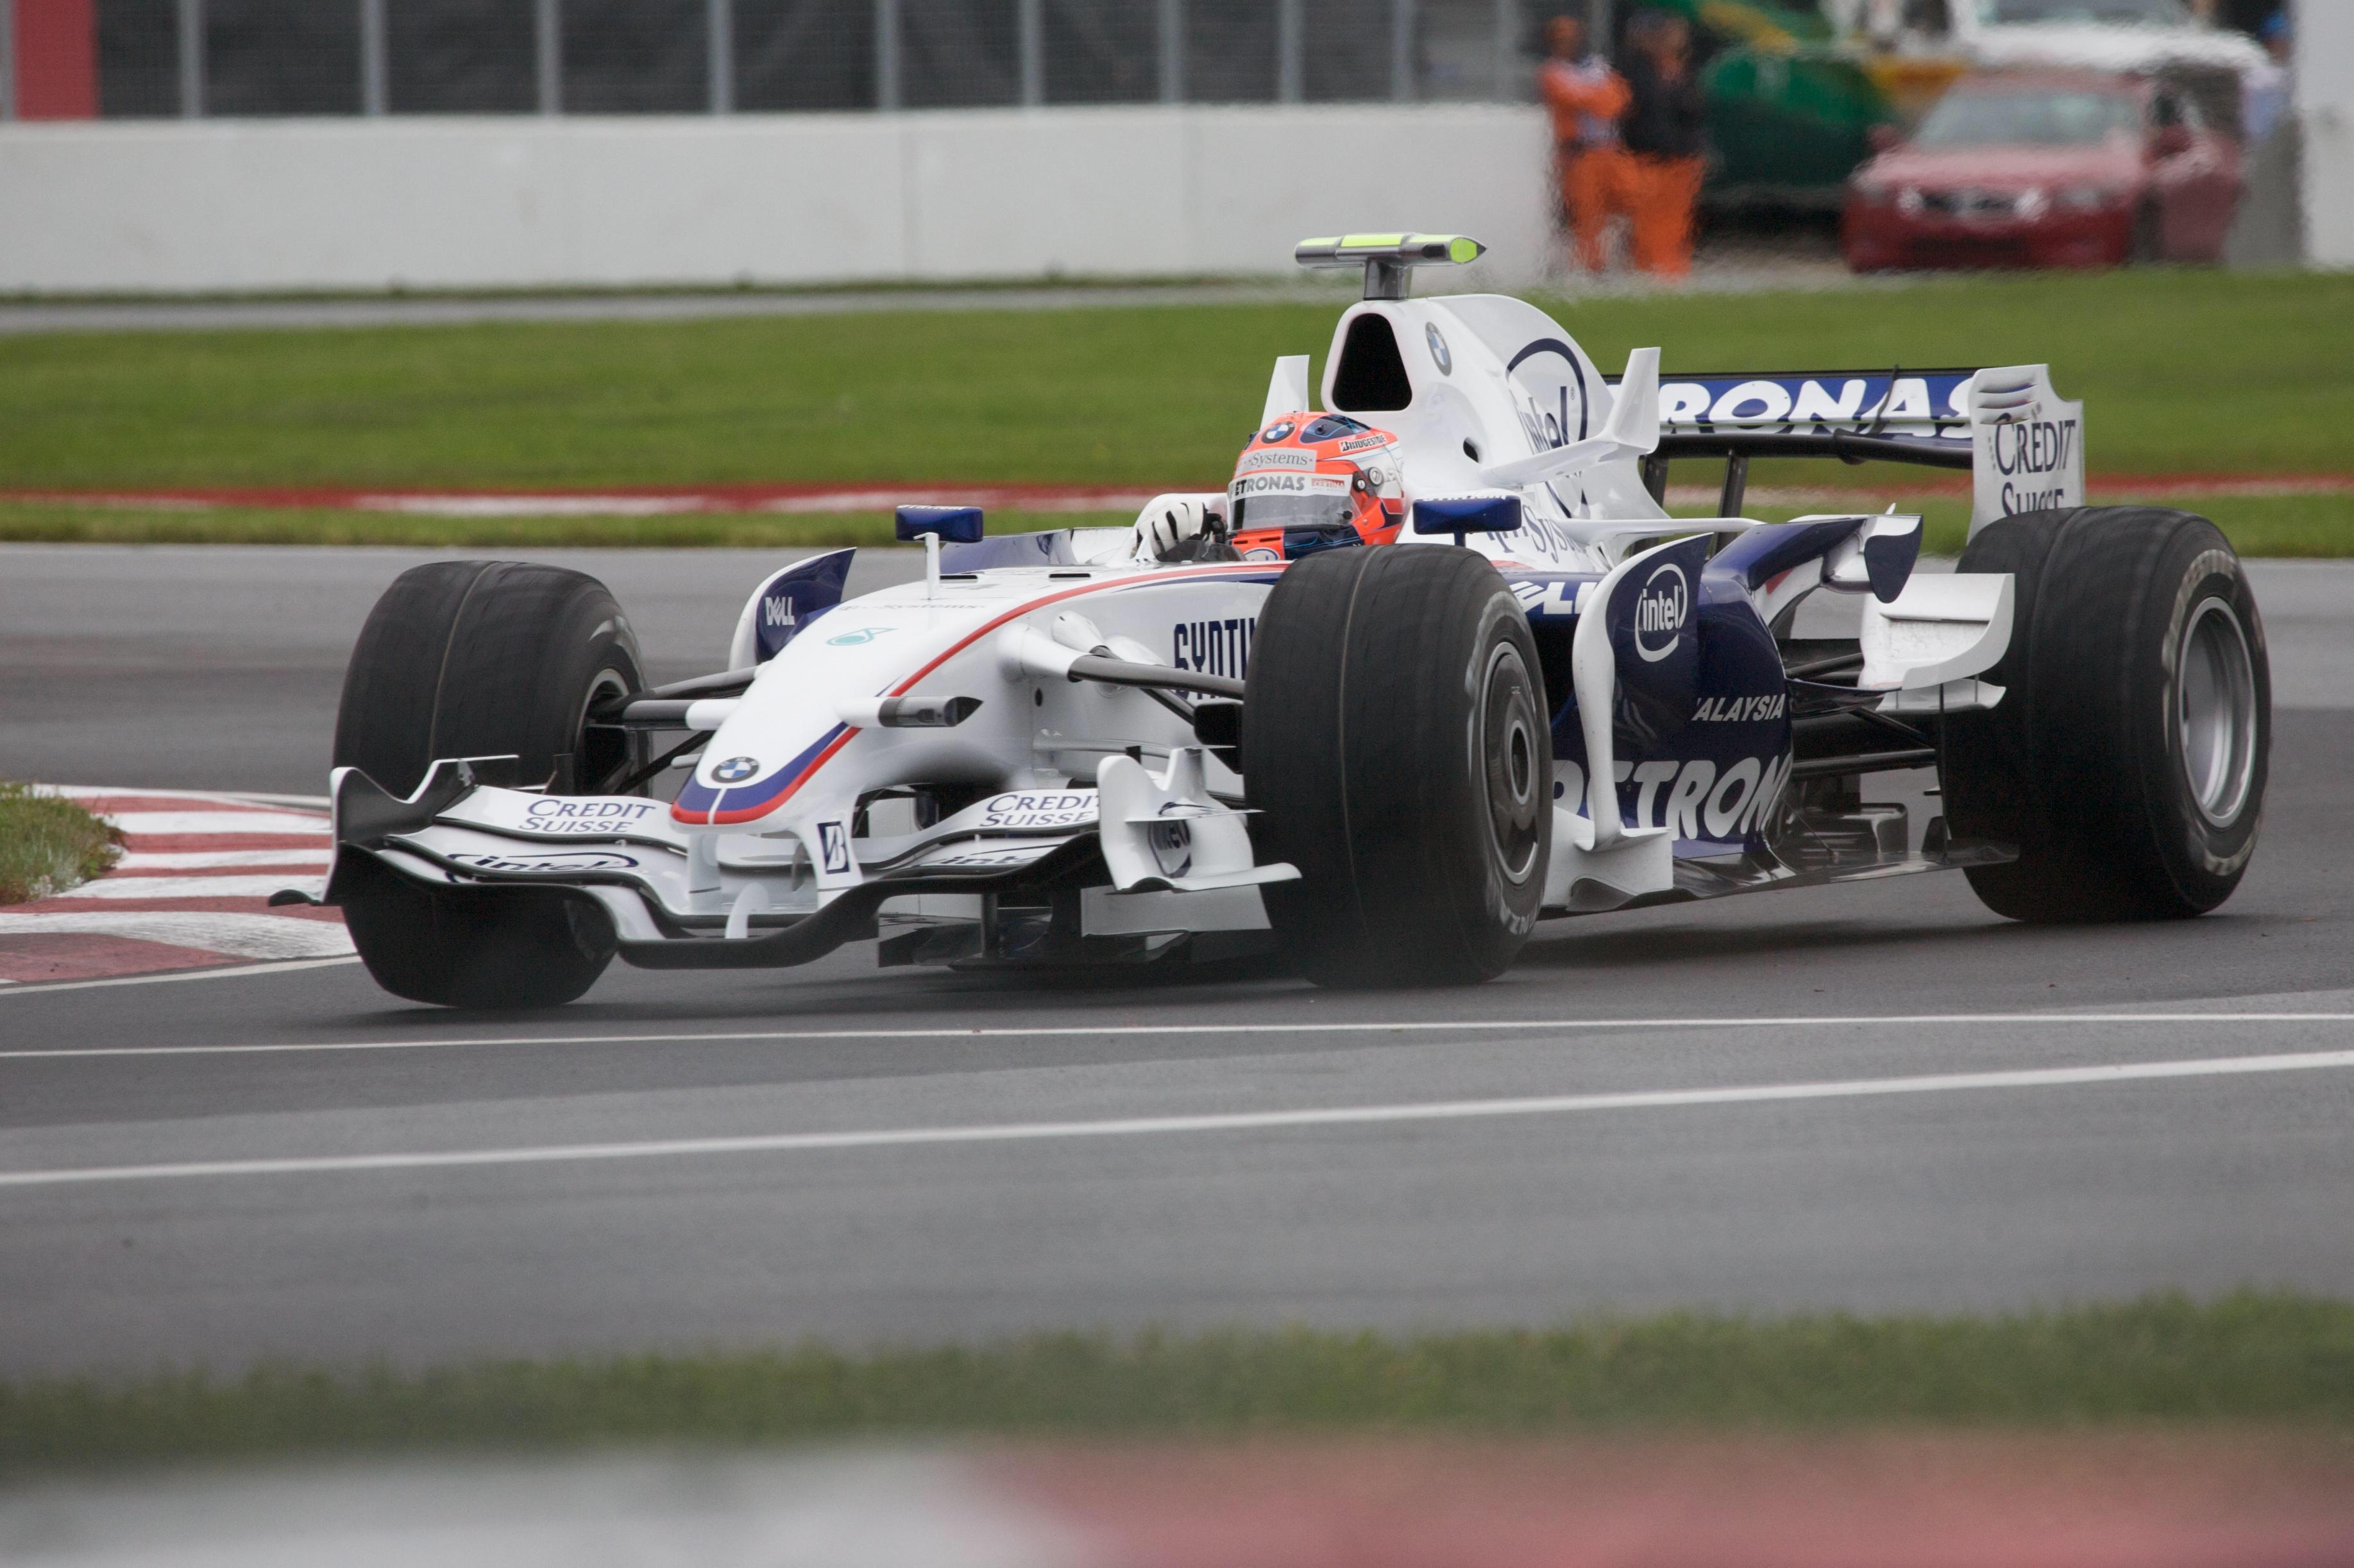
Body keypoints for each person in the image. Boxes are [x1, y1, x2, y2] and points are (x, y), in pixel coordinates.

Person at [1538, 13, 1634, 273]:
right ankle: (1592, 269)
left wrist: (1596, 97)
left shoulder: (1597, 66)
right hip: (1579, 155)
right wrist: (1599, 96)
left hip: (1610, 150)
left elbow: (1619, 101)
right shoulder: (1553, 72)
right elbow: (1578, 99)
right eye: (1561, 40)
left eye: (1571, 38)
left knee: (1633, 203)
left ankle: (1632, 262)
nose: (1568, 44)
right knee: (1586, 214)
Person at [1618, 10, 1710, 280]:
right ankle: (1650, 269)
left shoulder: (1680, 70)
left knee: (1679, 218)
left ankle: (1673, 270)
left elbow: (1694, 109)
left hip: (1682, 156)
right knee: (1648, 216)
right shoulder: (1634, 69)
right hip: (1647, 156)